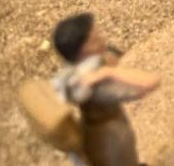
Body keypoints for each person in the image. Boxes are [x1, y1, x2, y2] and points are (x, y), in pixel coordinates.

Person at [51, 12, 160, 166]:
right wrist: (109, 72)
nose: (103, 39)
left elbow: (111, 56)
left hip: (93, 131)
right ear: (85, 49)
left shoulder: (73, 73)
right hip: (113, 140)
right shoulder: (96, 84)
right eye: (96, 39)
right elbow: (151, 82)